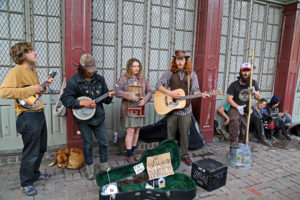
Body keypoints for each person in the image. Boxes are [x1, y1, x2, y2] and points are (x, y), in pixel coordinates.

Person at [0, 42, 53, 196]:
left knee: (41, 147)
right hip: (27, 117)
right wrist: (32, 88)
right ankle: (26, 182)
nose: (35, 53)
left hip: (39, 113)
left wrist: (42, 86)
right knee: (31, 151)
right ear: (23, 55)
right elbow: (3, 92)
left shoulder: (33, 72)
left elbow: (33, 95)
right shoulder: (16, 71)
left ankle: (35, 173)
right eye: (31, 51)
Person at [60, 53, 115, 180]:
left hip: (98, 116)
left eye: (92, 70)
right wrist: (82, 103)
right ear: (82, 68)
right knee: (88, 143)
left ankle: (104, 165)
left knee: (104, 142)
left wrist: (109, 96)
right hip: (83, 118)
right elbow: (65, 99)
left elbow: (106, 100)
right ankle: (89, 167)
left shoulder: (100, 79)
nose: (91, 73)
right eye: (88, 71)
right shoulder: (74, 81)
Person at [155, 50, 210, 166]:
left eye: (182, 59)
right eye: (178, 59)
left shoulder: (192, 74)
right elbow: (158, 85)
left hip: (186, 110)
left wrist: (199, 94)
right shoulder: (169, 73)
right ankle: (169, 155)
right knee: (170, 134)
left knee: (185, 134)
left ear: (186, 61)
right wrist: (169, 93)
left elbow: (195, 90)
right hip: (172, 109)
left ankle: (184, 154)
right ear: (175, 60)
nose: (180, 61)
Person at [116, 58, 152, 164]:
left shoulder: (143, 79)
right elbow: (116, 91)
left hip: (139, 109)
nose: (136, 68)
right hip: (128, 110)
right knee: (130, 132)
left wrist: (145, 99)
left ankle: (133, 151)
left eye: (138, 66)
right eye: (134, 66)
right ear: (129, 67)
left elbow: (149, 92)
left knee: (136, 132)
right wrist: (128, 94)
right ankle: (129, 155)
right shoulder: (124, 79)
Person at [227, 62, 260, 149]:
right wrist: (237, 107)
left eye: (248, 71)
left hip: (246, 109)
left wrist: (254, 92)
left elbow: (258, 97)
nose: (246, 73)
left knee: (243, 129)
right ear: (240, 72)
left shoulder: (253, 83)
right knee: (234, 119)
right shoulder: (234, 85)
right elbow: (229, 99)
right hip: (235, 107)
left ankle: (239, 149)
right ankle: (233, 141)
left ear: (250, 72)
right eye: (244, 71)